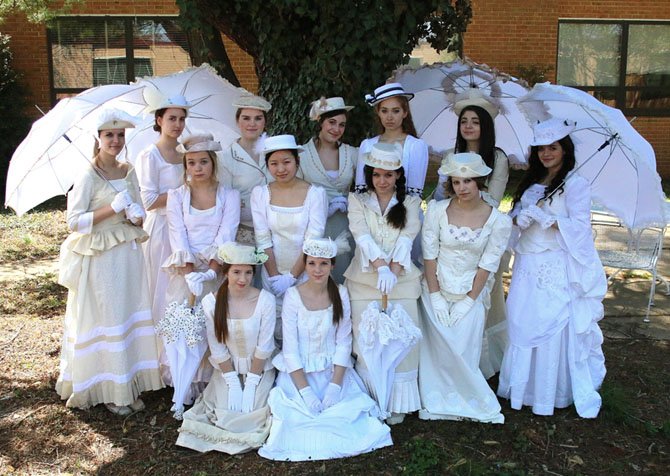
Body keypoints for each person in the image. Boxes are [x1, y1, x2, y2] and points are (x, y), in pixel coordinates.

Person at [497, 118, 607, 418]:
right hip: (527, 264)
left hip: (554, 264)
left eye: (553, 147)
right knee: (521, 319)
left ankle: (547, 391)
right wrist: (518, 221)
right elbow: (515, 222)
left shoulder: (575, 183)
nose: (547, 153)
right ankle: (521, 387)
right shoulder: (532, 183)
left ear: (564, 149)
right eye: (542, 148)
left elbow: (583, 228)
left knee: (549, 322)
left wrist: (552, 220)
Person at [56, 109, 163, 416]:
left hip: (128, 255)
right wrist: (110, 208)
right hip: (102, 258)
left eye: (120, 136)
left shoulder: (129, 170)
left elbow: (141, 212)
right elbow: (74, 221)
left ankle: (128, 381)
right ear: (98, 139)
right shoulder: (88, 175)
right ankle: (112, 390)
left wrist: (135, 214)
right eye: (109, 136)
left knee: (128, 313)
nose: (115, 141)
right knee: (110, 316)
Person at [259, 238, 392, 461]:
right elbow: (290, 349)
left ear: (332, 265)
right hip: (299, 375)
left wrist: (335, 385)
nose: (317, 270)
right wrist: (305, 392)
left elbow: (343, 342)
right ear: (305, 264)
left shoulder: (340, 293)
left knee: (348, 419)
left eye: (323, 264)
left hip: (333, 371)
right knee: (296, 421)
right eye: (311, 264)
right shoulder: (293, 296)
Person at [419, 152, 511, 423]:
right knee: (437, 346)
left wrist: (470, 300)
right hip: (435, 288)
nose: (463, 188)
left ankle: (466, 397)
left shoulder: (498, 221)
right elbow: (429, 255)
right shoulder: (436, 211)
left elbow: (488, 264)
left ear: (480, 182)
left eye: (468, 181)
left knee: (461, 345)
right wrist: (435, 296)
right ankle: (435, 398)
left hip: (471, 291)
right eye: (457, 182)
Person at [434, 89, 511, 379]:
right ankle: (449, 358)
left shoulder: (498, 158)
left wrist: (470, 205)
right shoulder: (451, 155)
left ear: (485, 126)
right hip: (452, 231)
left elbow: (494, 198)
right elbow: (442, 191)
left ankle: (483, 363)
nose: (468, 126)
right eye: (464, 120)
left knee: (484, 299)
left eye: (475, 121)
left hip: (483, 234)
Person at [344, 143, 423, 425]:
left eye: (388, 175)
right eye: (377, 175)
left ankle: (398, 401)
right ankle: (372, 397)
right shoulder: (357, 199)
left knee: (401, 338)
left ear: (398, 175)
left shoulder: (411, 202)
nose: (382, 181)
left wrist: (393, 269)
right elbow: (360, 233)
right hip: (364, 279)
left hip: (401, 279)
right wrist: (379, 267)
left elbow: (408, 235)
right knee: (368, 340)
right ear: (370, 175)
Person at [162, 133, 241, 403]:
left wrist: (212, 270)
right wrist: (189, 274)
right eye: (191, 163)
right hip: (187, 272)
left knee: (214, 325)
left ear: (213, 163)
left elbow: (226, 233)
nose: (197, 168)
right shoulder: (176, 196)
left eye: (203, 162)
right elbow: (177, 234)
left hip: (216, 270)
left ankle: (213, 381)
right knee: (186, 325)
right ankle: (187, 382)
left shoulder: (229, 195)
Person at [176, 242, 276, 454]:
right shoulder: (211, 303)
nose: (243, 279)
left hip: (258, 369)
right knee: (226, 415)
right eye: (237, 272)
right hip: (226, 370)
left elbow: (264, 346)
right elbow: (217, 347)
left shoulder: (265, 300)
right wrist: (231, 380)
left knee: (254, 415)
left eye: (248, 272)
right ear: (226, 272)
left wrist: (251, 382)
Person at [135, 94, 191, 382]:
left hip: (184, 227)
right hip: (161, 229)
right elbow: (149, 199)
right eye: (172, 118)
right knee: (161, 289)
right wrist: (183, 192)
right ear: (159, 120)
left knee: (181, 292)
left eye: (182, 119)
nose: (178, 124)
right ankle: (158, 361)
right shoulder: (150, 155)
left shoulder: (186, 155)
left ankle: (180, 357)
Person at [250, 134, 328, 338]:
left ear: (297, 161)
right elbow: (262, 239)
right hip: (271, 272)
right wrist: (275, 277)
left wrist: (292, 277)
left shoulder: (315, 194)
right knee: (272, 329)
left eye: (286, 162)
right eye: (274, 163)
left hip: (307, 272)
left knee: (303, 328)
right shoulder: (260, 194)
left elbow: (313, 242)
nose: (281, 169)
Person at [298, 96, 358, 283]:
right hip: (316, 225)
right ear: (320, 122)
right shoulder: (302, 154)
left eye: (342, 125)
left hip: (346, 224)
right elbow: (297, 192)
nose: (336, 129)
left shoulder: (352, 153)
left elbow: (363, 190)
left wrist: (350, 202)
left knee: (345, 271)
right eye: (331, 122)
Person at [354, 82, 429, 199]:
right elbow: (361, 189)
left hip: (405, 211)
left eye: (395, 111)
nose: (389, 117)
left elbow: (414, 194)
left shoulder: (416, 146)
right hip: (371, 212)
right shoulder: (367, 145)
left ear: (405, 113)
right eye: (384, 111)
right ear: (378, 112)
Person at [218, 92, 273, 245]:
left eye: (258, 118)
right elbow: (226, 199)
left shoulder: (275, 151)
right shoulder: (225, 157)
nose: (252, 124)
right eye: (246, 118)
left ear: (264, 122)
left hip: (276, 229)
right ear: (237, 121)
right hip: (244, 231)